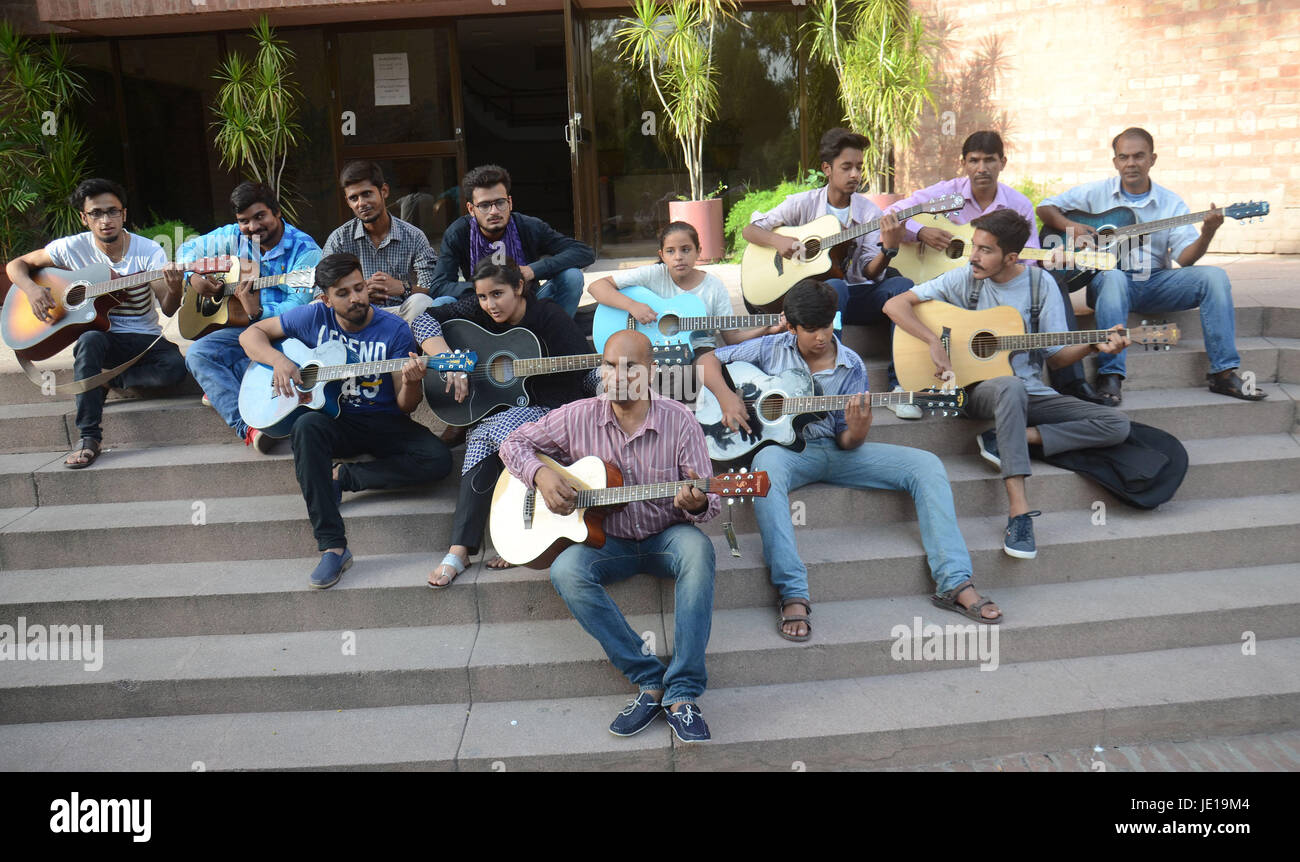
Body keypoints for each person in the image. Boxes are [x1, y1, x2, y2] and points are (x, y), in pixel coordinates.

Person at [697, 278, 999, 641]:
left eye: (826, 326)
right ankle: (793, 592)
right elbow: (707, 360)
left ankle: (954, 582)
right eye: (810, 330)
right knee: (765, 471)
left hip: (836, 452)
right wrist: (728, 397)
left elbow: (847, 440)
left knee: (927, 465)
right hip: (788, 455)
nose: (821, 337)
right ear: (791, 327)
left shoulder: (852, 365)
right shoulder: (771, 347)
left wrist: (858, 429)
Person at [498, 330, 720, 742]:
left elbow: (711, 505)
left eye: (630, 367)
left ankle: (684, 693)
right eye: (610, 365)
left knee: (699, 552)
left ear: (650, 371)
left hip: (665, 536)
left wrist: (695, 504)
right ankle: (650, 679)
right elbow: (513, 443)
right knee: (566, 571)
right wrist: (542, 474)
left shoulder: (681, 421)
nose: (618, 376)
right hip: (607, 542)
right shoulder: (578, 416)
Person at [884, 209, 1132, 560]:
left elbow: (1056, 358)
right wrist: (932, 342)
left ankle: (1010, 436)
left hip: (1030, 392)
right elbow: (895, 305)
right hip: (974, 391)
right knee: (1009, 386)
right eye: (975, 246)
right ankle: (1019, 513)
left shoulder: (1039, 284)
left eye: (985, 250)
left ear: (1012, 257)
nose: (974, 256)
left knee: (1116, 424)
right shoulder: (964, 278)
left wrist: (1093, 345)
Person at [239, 253, 452, 588]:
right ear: (325, 298)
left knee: (438, 460)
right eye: (343, 293)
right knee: (305, 428)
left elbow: (405, 406)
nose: (356, 298)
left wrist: (412, 381)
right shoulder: (313, 318)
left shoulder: (394, 330)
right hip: (335, 421)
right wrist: (279, 360)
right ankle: (333, 546)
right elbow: (250, 335)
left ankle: (345, 476)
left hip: (384, 421)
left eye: (360, 287)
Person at [1038, 127, 1265, 405]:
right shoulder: (1096, 193)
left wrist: (1207, 232)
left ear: (1152, 159)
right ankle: (1110, 374)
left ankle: (1224, 372)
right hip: (1110, 282)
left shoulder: (1170, 203)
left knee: (1215, 277)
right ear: (1115, 162)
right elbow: (1045, 207)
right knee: (1113, 277)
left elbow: (1185, 259)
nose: (1130, 163)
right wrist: (1072, 226)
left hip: (1156, 282)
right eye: (1123, 157)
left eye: (1138, 156)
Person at [885, 131, 1105, 404]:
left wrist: (1048, 263)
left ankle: (1071, 382)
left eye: (989, 160)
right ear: (963, 163)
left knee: (1050, 283)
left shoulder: (1019, 205)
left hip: (993, 288)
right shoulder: (945, 193)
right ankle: (907, 384)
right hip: (952, 284)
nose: (981, 168)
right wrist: (920, 232)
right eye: (974, 160)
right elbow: (889, 215)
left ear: (1003, 162)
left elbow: (1026, 261)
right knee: (909, 295)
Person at [412, 258, 590, 588]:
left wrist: (613, 381)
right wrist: (450, 361)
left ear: (519, 288)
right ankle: (460, 549)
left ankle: (513, 539)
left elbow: (586, 372)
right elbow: (423, 320)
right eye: (482, 297)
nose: (489, 305)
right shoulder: (478, 310)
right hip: (502, 413)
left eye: (498, 294)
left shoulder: (548, 316)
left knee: (489, 430)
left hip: (554, 410)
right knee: (485, 432)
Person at [5, 177, 187, 468]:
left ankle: (102, 379)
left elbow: (167, 309)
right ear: (84, 218)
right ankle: (89, 437)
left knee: (177, 367)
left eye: (113, 211)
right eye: (96, 214)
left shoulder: (148, 251)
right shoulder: (70, 248)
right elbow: (16, 265)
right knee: (89, 341)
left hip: (144, 338)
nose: (106, 220)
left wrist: (176, 287)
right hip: (103, 339)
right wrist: (32, 289)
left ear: (124, 214)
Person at [742, 128, 917, 418]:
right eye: (846, 167)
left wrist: (888, 250)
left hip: (852, 295)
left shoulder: (870, 214)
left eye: (859, 167)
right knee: (835, 285)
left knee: (903, 287)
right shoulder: (803, 203)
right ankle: (830, 383)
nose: (854, 174)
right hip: (812, 302)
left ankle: (899, 387)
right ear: (827, 169)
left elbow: (868, 272)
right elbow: (751, 229)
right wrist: (779, 241)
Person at [179, 181, 322, 452]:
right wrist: (194, 276)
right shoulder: (233, 236)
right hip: (244, 331)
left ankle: (222, 384)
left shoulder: (306, 252)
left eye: (260, 217)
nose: (253, 227)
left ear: (277, 212)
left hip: (287, 335)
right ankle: (249, 428)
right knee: (198, 353)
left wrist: (257, 312)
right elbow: (186, 251)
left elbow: (297, 309)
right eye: (244, 221)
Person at [588, 220, 780, 353]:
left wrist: (766, 330)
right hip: (652, 352)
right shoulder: (653, 275)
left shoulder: (714, 287)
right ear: (662, 255)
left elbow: (732, 338)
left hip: (700, 353)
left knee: (709, 360)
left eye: (686, 250)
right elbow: (596, 287)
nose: (678, 257)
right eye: (670, 251)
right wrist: (632, 306)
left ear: (699, 252)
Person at [429, 164, 594, 317]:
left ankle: (558, 337)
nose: (494, 212)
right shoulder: (458, 232)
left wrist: (532, 270)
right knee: (441, 303)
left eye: (500, 203)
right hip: (481, 305)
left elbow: (583, 252)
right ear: (471, 209)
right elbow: (439, 287)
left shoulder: (529, 226)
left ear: (510, 202)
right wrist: (486, 288)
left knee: (572, 277)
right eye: (485, 205)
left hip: (528, 302)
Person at [321, 160, 439, 323]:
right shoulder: (339, 239)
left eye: (367, 194)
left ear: (384, 191)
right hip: (355, 316)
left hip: (401, 318)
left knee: (422, 303)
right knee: (317, 307)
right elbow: (321, 292)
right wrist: (358, 291)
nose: (361, 203)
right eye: (354, 198)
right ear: (348, 202)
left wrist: (402, 287)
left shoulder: (414, 236)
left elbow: (433, 289)